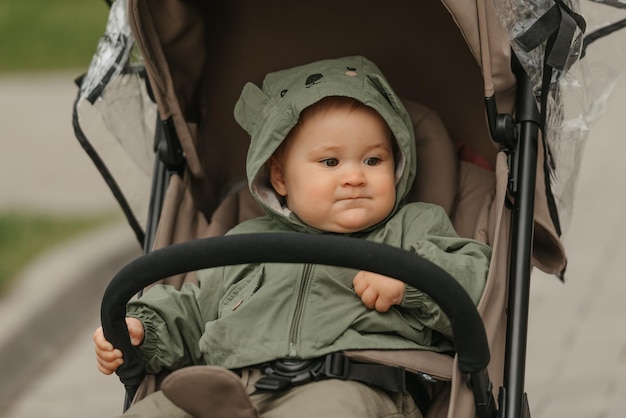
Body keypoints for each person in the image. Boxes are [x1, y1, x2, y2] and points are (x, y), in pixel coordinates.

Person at [94, 56, 491, 418]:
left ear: (398, 163)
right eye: (330, 161)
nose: (354, 176)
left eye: (373, 160)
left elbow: (478, 283)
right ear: (281, 178)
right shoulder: (247, 240)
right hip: (233, 386)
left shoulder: (412, 226)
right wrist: (144, 329)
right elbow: (196, 308)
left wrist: (413, 280)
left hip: (352, 383)